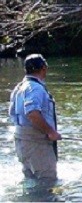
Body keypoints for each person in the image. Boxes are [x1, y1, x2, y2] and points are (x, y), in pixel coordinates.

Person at [8, 54, 62, 186]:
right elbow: (32, 113)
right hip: (37, 143)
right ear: (43, 68)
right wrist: (50, 132)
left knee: (32, 182)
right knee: (47, 183)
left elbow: (12, 113)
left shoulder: (19, 88)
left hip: (22, 142)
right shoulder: (35, 88)